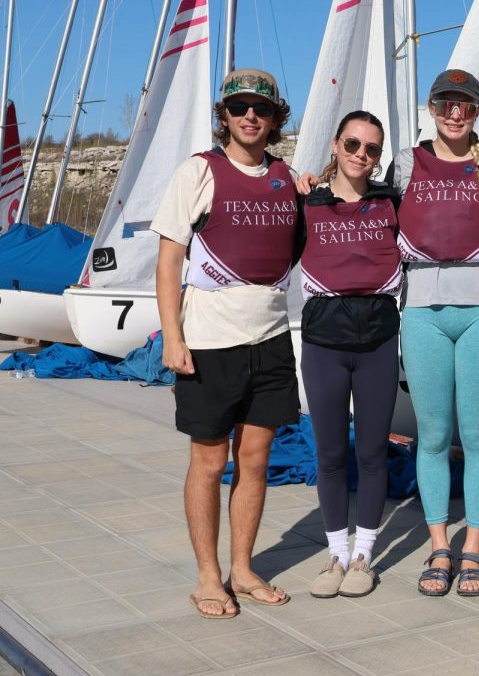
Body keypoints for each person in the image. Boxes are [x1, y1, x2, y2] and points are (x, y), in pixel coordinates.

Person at [153, 68, 299, 619]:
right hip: (210, 341)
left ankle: (243, 566)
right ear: (225, 116)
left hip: (272, 336)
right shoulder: (199, 171)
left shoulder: (286, 177)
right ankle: (208, 577)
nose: (249, 117)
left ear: (275, 118)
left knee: (256, 462)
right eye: (239, 108)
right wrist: (172, 335)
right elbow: (170, 261)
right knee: (210, 464)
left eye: (260, 109)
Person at [394, 69, 479, 597]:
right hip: (421, 310)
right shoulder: (405, 164)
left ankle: (473, 548)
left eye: (465, 104)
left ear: (477, 110)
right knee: (433, 437)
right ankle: (438, 546)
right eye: (446, 103)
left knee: (476, 436)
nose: (455, 112)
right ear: (431, 108)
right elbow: (361, 206)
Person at [299, 111, 401, 599]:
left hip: (379, 342)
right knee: (332, 454)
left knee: (373, 452)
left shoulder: (392, 202)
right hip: (324, 344)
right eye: (354, 144)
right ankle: (336, 554)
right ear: (337, 145)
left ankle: (364, 556)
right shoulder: (307, 202)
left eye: (372, 149)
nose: (363, 155)